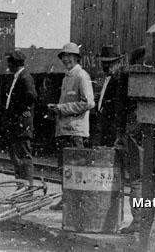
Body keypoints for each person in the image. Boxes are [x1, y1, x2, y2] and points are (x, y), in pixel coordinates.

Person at [96, 44, 147, 235]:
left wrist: (119, 133)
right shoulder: (139, 78)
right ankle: (142, 221)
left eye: (110, 63)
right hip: (141, 131)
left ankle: (139, 222)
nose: (107, 67)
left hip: (131, 132)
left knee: (136, 179)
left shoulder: (123, 77)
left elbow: (119, 109)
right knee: (140, 178)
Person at [47, 42, 94, 209]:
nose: (66, 59)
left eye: (69, 56)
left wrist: (61, 109)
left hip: (75, 131)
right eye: (64, 56)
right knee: (65, 169)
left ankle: (77, 202)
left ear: (76, 58)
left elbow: (88, 103)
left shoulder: (81, 76)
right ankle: (67, 199)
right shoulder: (67, 76)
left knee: (76, 170)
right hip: (64, 130)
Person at [3, 49, 38, 187]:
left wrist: (22, 111)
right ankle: (22, 187)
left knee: (23, 156)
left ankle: (27, 189)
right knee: (18, 157)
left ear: (14, 63)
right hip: (17, 123)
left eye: (9, 62)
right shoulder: (19, 76)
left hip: (21, 123)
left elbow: (31, 96)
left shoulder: (25, 77)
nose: (8, 65)